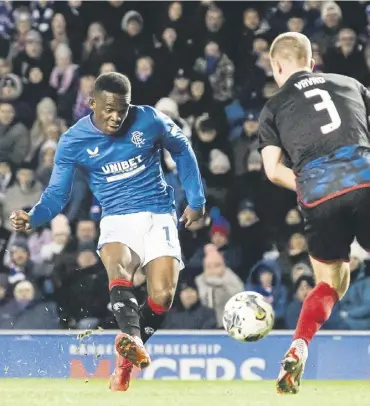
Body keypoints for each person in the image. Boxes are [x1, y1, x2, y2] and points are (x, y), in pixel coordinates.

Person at [9, 72, 205, 392]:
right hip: (116, 218)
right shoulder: (73, 140)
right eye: (108, 110)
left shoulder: (150, 119)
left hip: (158, 214)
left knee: (162, 296)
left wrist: (196, 199)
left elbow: (181, 148)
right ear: (92, 103)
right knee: (119, 267)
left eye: (122, 110)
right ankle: (132, 339)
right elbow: (58, 195)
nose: (116, 117)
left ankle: (125, 357)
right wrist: (34, 217)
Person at [258, 32, 370, 394]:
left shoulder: (273, 107)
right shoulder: (349, 83)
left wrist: (309, 185)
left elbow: (273, 170)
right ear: (312, 61)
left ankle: (299, 345)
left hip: (319, 194)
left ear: (276, 66)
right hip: (365, 179)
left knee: (331, 283)